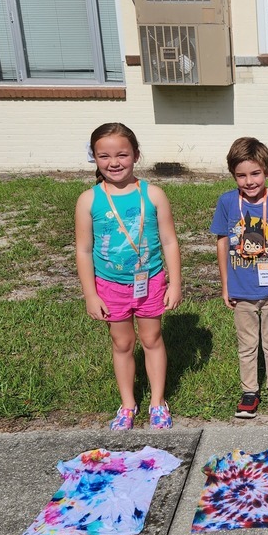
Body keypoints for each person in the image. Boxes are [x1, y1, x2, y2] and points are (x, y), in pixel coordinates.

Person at [75, 122, 182, 430]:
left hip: (150, 282)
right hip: (110, 287)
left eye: (122, 154)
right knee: (122, 343)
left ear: (136, 154)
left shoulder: (154, 195)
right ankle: (127, 405)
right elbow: (83, 251)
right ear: (94, 158)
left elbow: (170, 241)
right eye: (104, 155)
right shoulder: (88, 200)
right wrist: (91, 295)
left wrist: (174, 283)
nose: (114, 162)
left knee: (152, 338)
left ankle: (157, 402)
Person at [211, 137, 268, 418]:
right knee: (246, 345)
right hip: (241, 292)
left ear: (267, 171)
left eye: (255, 173)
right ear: (233, 175)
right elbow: (223, 243)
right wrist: (226, 285)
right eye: (241, 175)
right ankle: (249, 391)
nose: (249, 181)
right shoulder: (227, 202)